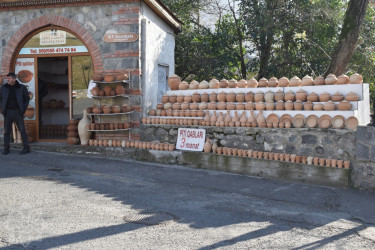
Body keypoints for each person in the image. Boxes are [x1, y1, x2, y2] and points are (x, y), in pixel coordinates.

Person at [0, 72, 30, 155]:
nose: (7, 80)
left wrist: (23, 109)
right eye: (7, 78)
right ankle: (6, 149)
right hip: (7, 112)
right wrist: (2, 108)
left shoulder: (21, 87)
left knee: (22, 130)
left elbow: (26, 99)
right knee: (6, 132)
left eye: (9, 78)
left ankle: (26, 148)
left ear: (14, 79)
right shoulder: (3, 88)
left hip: (18, 112)